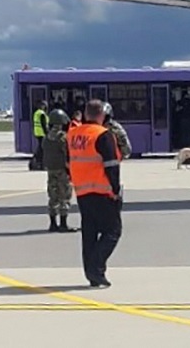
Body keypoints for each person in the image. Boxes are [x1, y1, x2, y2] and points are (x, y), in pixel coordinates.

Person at [69, 99, 123, 288]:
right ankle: (96, 268)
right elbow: (111, 165)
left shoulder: (73, 134)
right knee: (113, 231)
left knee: (89, 233)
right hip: (102, 190)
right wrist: (115, 190)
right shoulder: (103, 135)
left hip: (82, 190)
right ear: (101, 115)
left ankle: (92, 274)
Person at [42, 108, 74, 232]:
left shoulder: (46, 138)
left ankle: (53, 224)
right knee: (64, 196)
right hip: (62, 170)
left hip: (51, 170)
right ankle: (63, 224)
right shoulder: (63, 138)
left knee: (53, 196)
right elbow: (67, 154)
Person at [32, 101, 49, 170]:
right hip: (42, 133)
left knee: (40, 148)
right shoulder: (42, 114)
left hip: (37, 132)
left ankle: (36, 161)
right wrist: (47, 133)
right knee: (42, 149)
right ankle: (41, 163)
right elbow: (44, 125)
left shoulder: (36, 113)